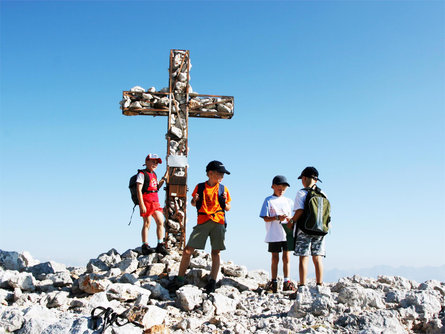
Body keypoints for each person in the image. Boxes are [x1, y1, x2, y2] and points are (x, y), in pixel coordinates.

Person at [171, 160, 231, 294]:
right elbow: (193, 203)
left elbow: (228, 207)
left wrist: (223, 202)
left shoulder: (223, 189)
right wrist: (195, 200)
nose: (222, 176)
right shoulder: (200, 187)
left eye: (223, 174)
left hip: (218, 221)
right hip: (203, 221)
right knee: (187, 250)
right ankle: (179, 279)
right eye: (220, 174)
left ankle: (212, 282)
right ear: (210, 173)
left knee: (216, 252)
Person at [287, 167, 327, 294]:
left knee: (304, 257)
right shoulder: (323, 194)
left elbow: (300, 211)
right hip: (320, 230)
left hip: (304, 230)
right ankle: (319, 285)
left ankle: (302, 286)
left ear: (304, 178)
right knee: (318, 257)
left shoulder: (301, 193)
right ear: (316, 180)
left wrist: (292, 221)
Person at [259, 175, 297, 293]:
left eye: (283, 189)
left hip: (287, 232)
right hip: (274, 233)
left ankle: (287, 281)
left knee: (286, 257)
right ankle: (274, 282)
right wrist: (276, 217)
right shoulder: (269, 200)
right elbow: (265, 217)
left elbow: (293, 215)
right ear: (273, 187)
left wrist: (290, 219)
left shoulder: (288, 201)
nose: (281, 191)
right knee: (275, 258)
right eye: (279, 189)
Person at [136, 153, 169, 256]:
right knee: (147, 223)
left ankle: (160, 244)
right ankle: (145, 245)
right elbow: (138, 189)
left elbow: (156, 187)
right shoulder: (142, 174)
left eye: (156, 163)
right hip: (146, 200)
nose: (155, 164)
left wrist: (165, 175)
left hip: (155, 201)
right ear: (147, 162)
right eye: (153, 162)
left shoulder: (154, 175)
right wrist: (141, 204)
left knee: (160, 221)